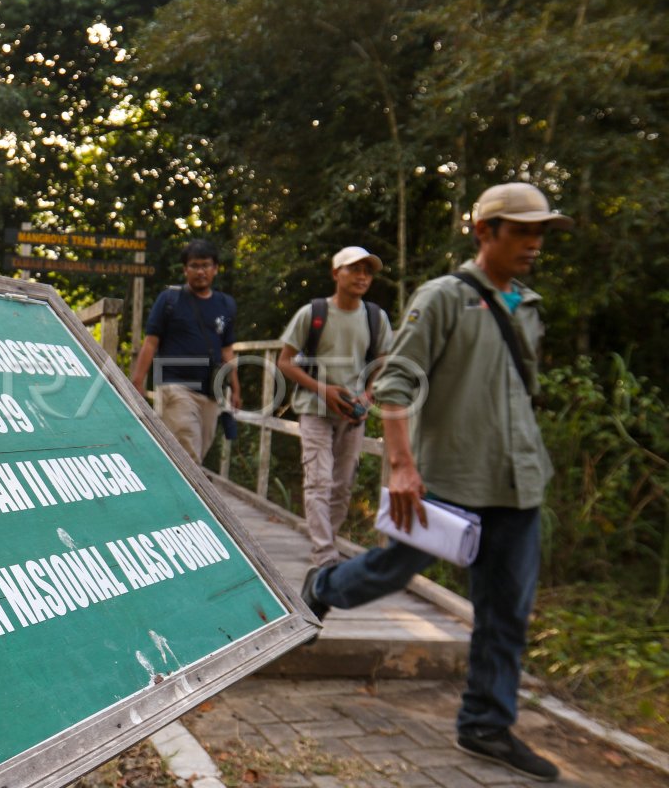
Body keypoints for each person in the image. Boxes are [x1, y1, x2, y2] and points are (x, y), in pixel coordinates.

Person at [300, 183, 572, 782]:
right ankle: (324, 585)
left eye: (540, 233)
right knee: (393, 570)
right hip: (446, 478)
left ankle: (485, 725)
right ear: (484, 232)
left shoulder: (527, 304)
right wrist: (401, 465)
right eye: (522, 231)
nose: (533, 243)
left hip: (518, 481)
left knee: (507, 609)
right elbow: (396, 384)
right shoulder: (444, 298)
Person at [277, 246, 393, 567]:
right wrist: (323, 390)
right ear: (335, 274)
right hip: (314, 409)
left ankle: (327, 541)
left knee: (342, 487)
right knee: (319, 480)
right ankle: (325, 555)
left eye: (367, 271)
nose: (361, 276)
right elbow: (285, 362)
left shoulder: (375, 317)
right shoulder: (313, 313)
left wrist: (368, 396)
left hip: (353, 412)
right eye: (354, 269)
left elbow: (385, 361)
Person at [130, 239, 241, 463]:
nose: (200, 271)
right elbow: (151, 342)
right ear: (185, 269)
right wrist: (137, 380)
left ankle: (175, 491)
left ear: (215, 268)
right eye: (194, 266)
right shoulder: (170, 300)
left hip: (210, 391)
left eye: (206, 265)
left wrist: (235, 388)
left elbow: (227, 351)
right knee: (186, 451)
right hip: (175, 386)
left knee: (197, 453)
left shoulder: (225, 305)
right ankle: (192, 497)